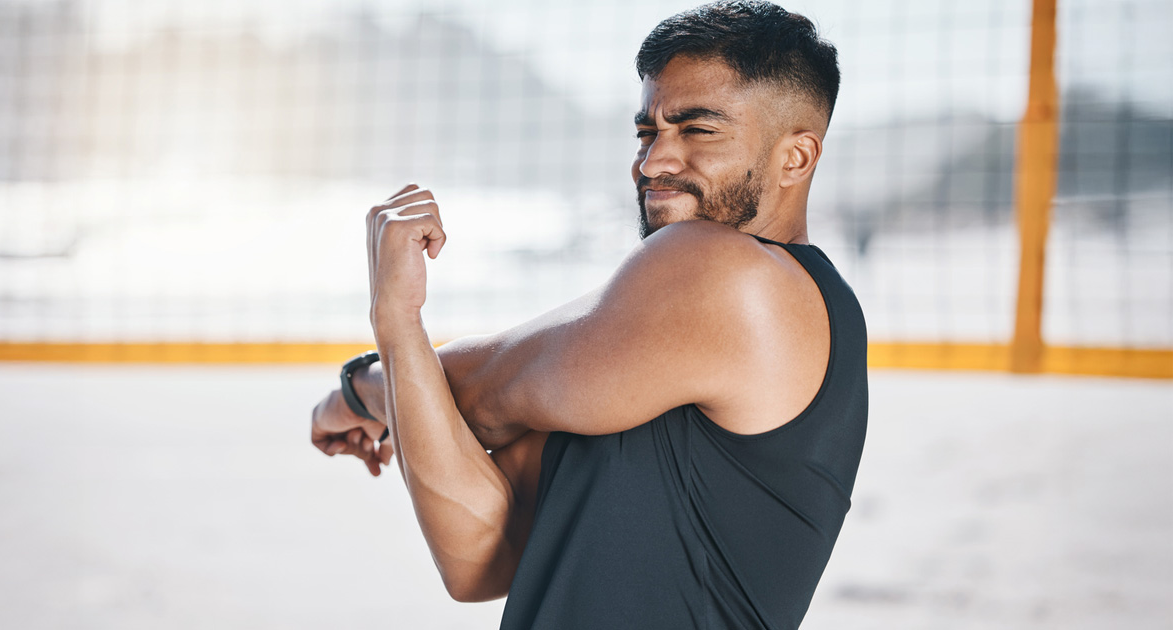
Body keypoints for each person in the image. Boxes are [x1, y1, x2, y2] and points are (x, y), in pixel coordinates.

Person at [310, 1, 867, 628]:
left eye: (697, 130)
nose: (653, 161)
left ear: (796, 158)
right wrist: (398, 327)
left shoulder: (728, 273)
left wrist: (361, 386)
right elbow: (479, 560)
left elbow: (476, 396)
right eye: (647, 132)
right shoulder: (643, 364)